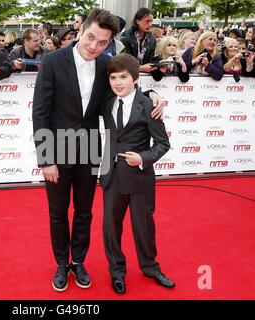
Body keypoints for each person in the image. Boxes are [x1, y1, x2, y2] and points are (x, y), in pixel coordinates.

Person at [32, 8, 165, 292]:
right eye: (90, 37)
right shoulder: (54, 61)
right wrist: (46, 159)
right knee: (58, 213)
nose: (94, 46)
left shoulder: (106, 64)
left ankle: (78, 262)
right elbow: (40, 113)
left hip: (91, 148)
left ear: (109, 43)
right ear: (81, 30)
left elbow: (125, 88)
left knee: (84, 212)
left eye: (102, 42)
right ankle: (61, 264)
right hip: (57, 147)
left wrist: (151, 94)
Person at [99, 53, 173, 294]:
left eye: (123, 77)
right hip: (111, 175)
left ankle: (150, 267)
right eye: (113, 77)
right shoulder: (106, 101)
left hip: (140, 178)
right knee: (111, 227)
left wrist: (143, 158)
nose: (118, 82)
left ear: (135, 78)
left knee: (143, 226)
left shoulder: (148, 105)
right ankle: (117, 271)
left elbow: (163, 144)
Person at [120, 7, 157, 73]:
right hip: (129, 75)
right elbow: (124, 63)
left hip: (145, 77)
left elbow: (150, 61)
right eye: (147, 21)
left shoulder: (152, 39)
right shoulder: (125, 38)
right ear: (137, 21)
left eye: (151, 21)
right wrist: (141, 68)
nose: (150, 24)